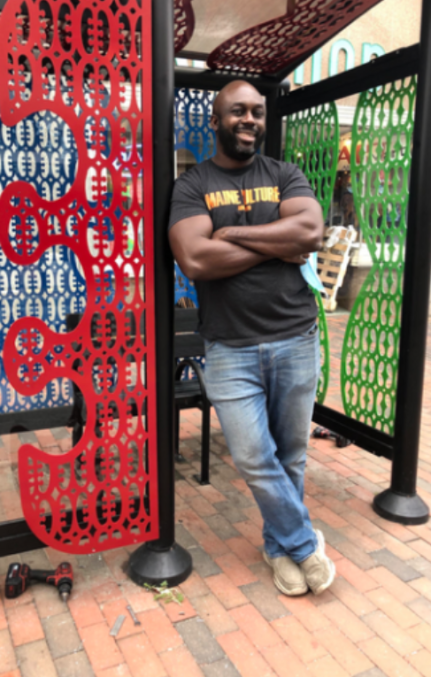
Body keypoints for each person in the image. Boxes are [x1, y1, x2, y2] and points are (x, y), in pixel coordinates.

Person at [167, 80, 335, 597]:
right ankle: (305, 545)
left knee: (292, 455)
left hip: (295, 338)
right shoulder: (193, 184)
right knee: (254, 458)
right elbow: (195, 259)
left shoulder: (284, 173)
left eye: (257, 112)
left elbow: (309, 232)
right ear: (216, 120)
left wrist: (232, 235)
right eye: (238, 111)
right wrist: (275, 244)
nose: (249, 120)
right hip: (229, 347)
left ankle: (278, 546)